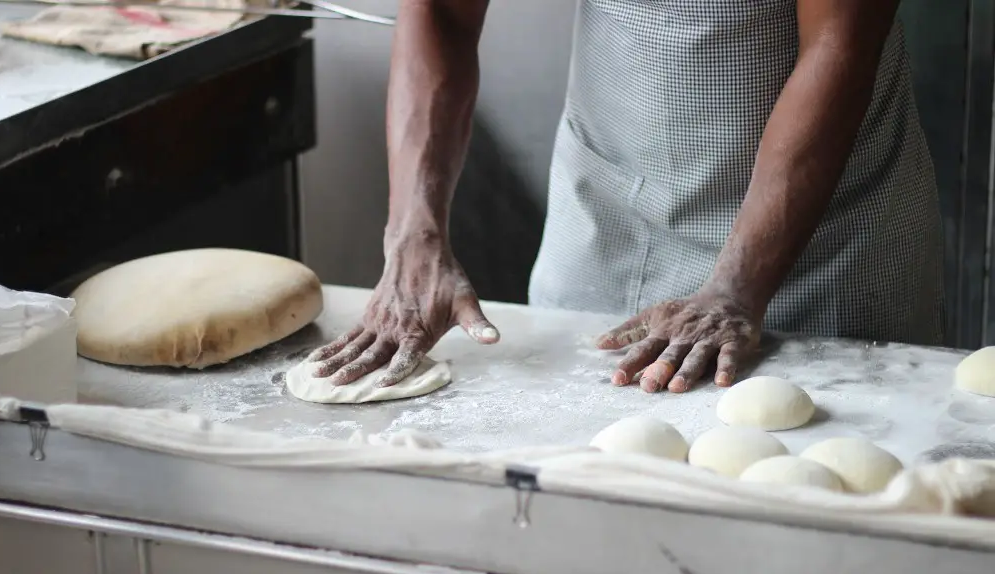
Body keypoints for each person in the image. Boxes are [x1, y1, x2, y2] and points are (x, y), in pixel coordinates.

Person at [308, 0, 944, 395]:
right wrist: (413, 234)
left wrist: (736, 286)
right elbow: (441, 11)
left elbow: (840, 43)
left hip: (820, 238)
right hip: (607, 205)